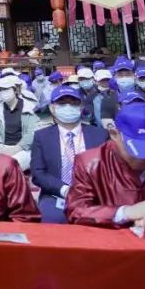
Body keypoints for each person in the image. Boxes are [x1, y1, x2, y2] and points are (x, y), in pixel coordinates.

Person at [30, 86, 109, 223]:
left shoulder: (100, 135)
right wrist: (65, 190)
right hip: (56, 195)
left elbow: (108, 170)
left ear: (81, 107)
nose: (68, 107)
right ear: (52, 108)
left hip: (94, 195)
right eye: (61, 103)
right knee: (51, 219)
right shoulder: (42, 137)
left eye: (73, 103)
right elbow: (38, 173)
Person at [65, 103, 145, 227]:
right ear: (114, 134)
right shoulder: (90, 163)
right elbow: (76, 210)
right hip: (110, 238)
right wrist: (125, 213)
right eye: (139, 151)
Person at [0, 74, 36, 171]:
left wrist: (17, 148)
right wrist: (1, 146)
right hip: (2, 148)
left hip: (24, 149)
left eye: (5, 89)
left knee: (11, 165)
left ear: (15, 90)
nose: (2, 93)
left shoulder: (28, 107)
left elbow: (31, 133)